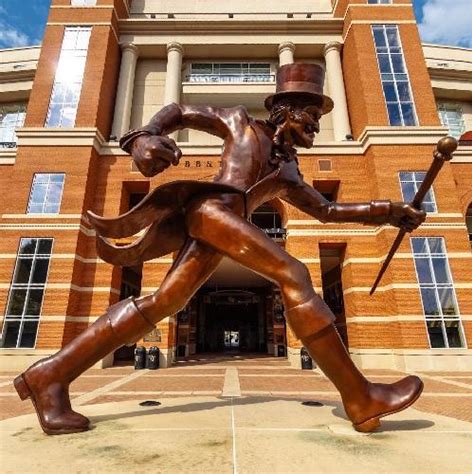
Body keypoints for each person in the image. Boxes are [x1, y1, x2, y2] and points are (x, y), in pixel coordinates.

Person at [14, 63, 426, 435]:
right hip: (210, 211)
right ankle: (359, 396)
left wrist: (390, 211)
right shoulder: (240, 122)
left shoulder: (287, 169)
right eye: (312, 116)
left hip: (225, 225)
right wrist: (143, 136)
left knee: (162, 302)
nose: (316, 126)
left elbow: (328, 210)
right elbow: (178, 109)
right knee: (294, 273)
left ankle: (50, 375)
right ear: (287, 109)